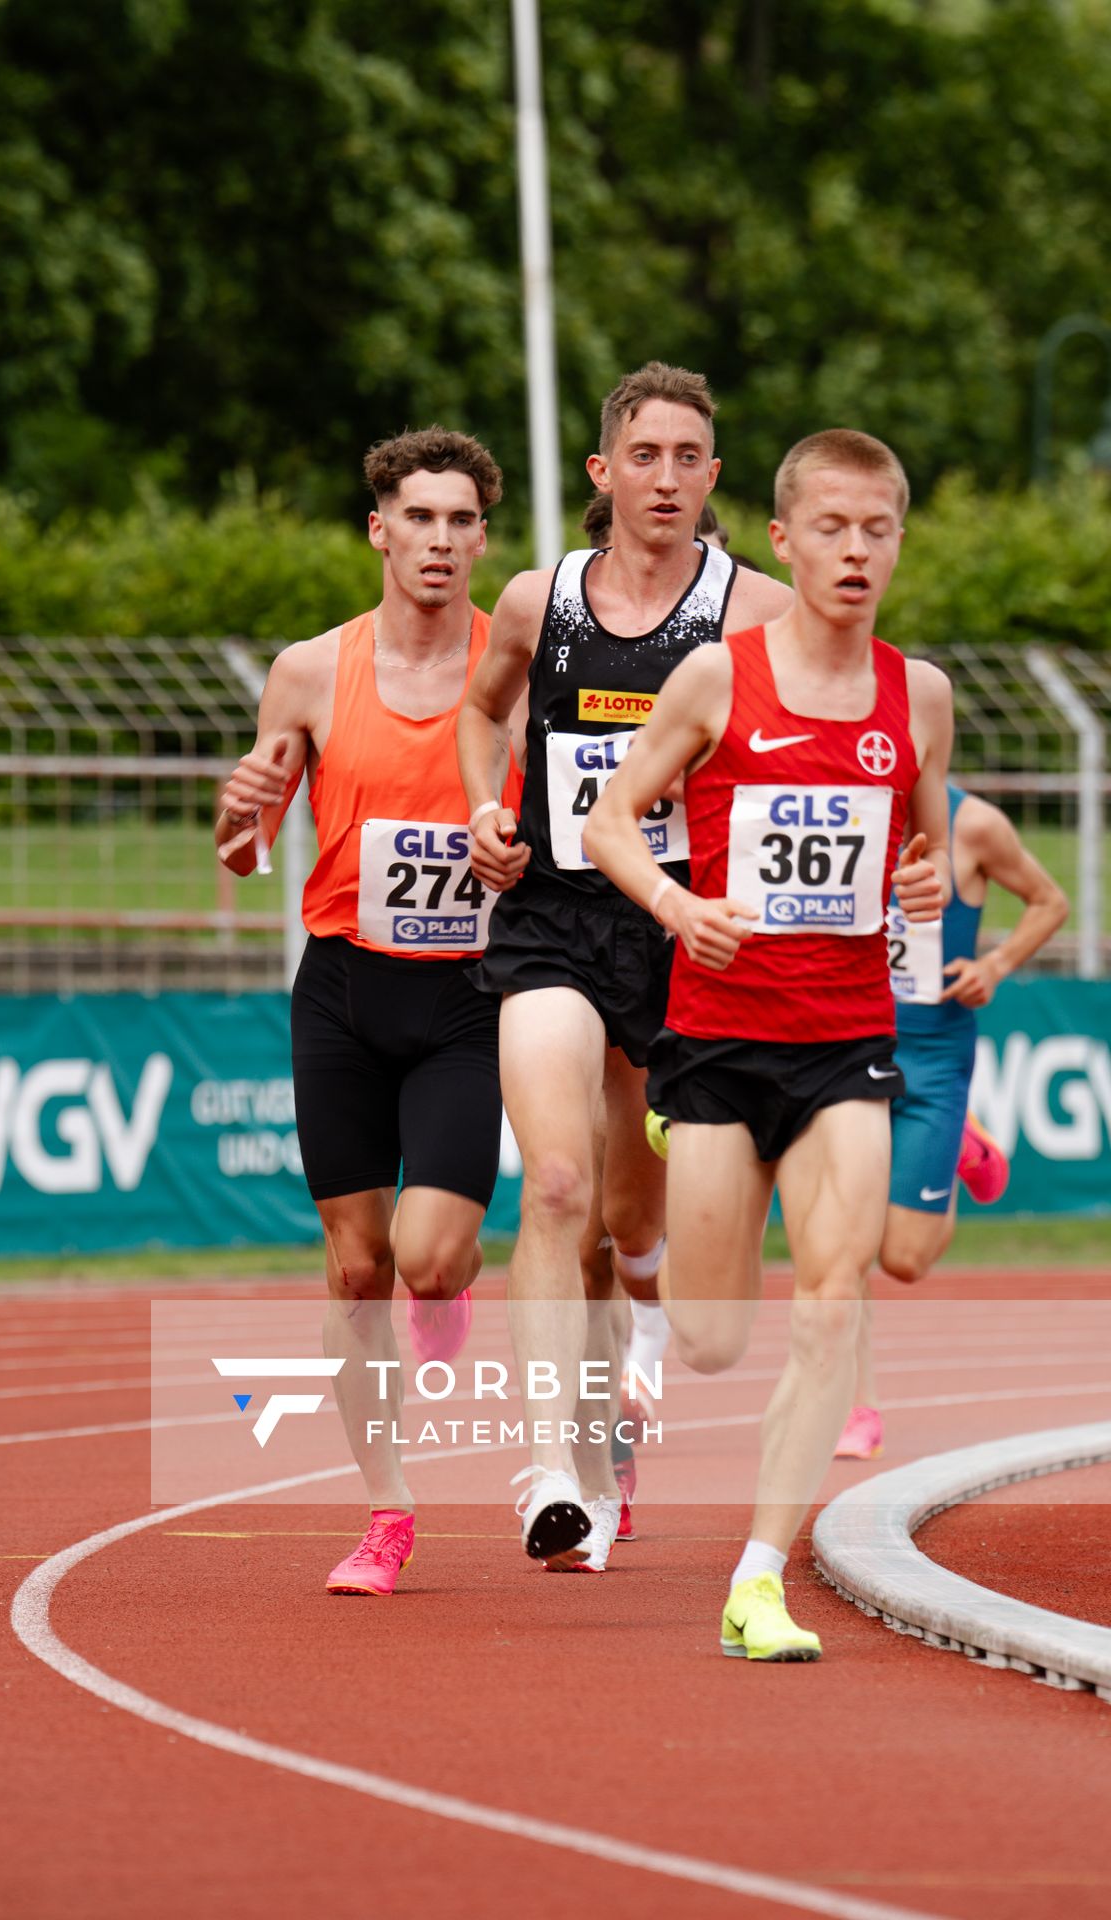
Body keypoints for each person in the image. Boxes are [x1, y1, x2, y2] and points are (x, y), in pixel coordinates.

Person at [584, 427, 954, 1658]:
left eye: (877, 530)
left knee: (827, 1304)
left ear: (898, 540)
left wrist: (922, 874)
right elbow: (607, 825)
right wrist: (677, 905)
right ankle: (664, 1147)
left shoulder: (920, 695)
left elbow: (927, 838)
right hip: (715, 1039)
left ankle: (757, 1582)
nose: (855, 552)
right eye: (831, 530)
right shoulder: (712, 679)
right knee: (707, 1338)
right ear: (783, 541)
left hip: (844, 1041)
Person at [458, 362, 793, 1573]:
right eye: (640, 456)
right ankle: (550, 1467)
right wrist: (479, 811)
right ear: (603, 474)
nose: (664, 478)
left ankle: (642, 1319)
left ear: (712, 477)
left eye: (685, 458)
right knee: (552, 1186)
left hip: (679, 933)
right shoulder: (534, 601)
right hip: (550, 917)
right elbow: (478, 707)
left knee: (629, 1214)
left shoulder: (750, 611)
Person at [218, 426, 512, 1598]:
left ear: (482, 539)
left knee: (429, 1263)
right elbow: (245, 849)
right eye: (419, 518)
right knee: (354, 1271)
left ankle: (447, 1297)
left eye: (461, 521)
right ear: (378, 530)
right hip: (341, 986)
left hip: (469, 998)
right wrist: (236, 813)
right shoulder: (307, 670)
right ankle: (387, 1513)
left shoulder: (517, 665)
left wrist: (513, 857)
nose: (438, 541)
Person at [835, 789, 1069, 1457]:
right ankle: (859, 1406)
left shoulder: (974, 824)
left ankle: (960, 1147)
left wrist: (995, 963)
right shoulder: (829, 798)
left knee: (904, 1260)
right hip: (845, 1049)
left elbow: (1050, 901)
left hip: (933, 1058)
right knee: (842, 1240)